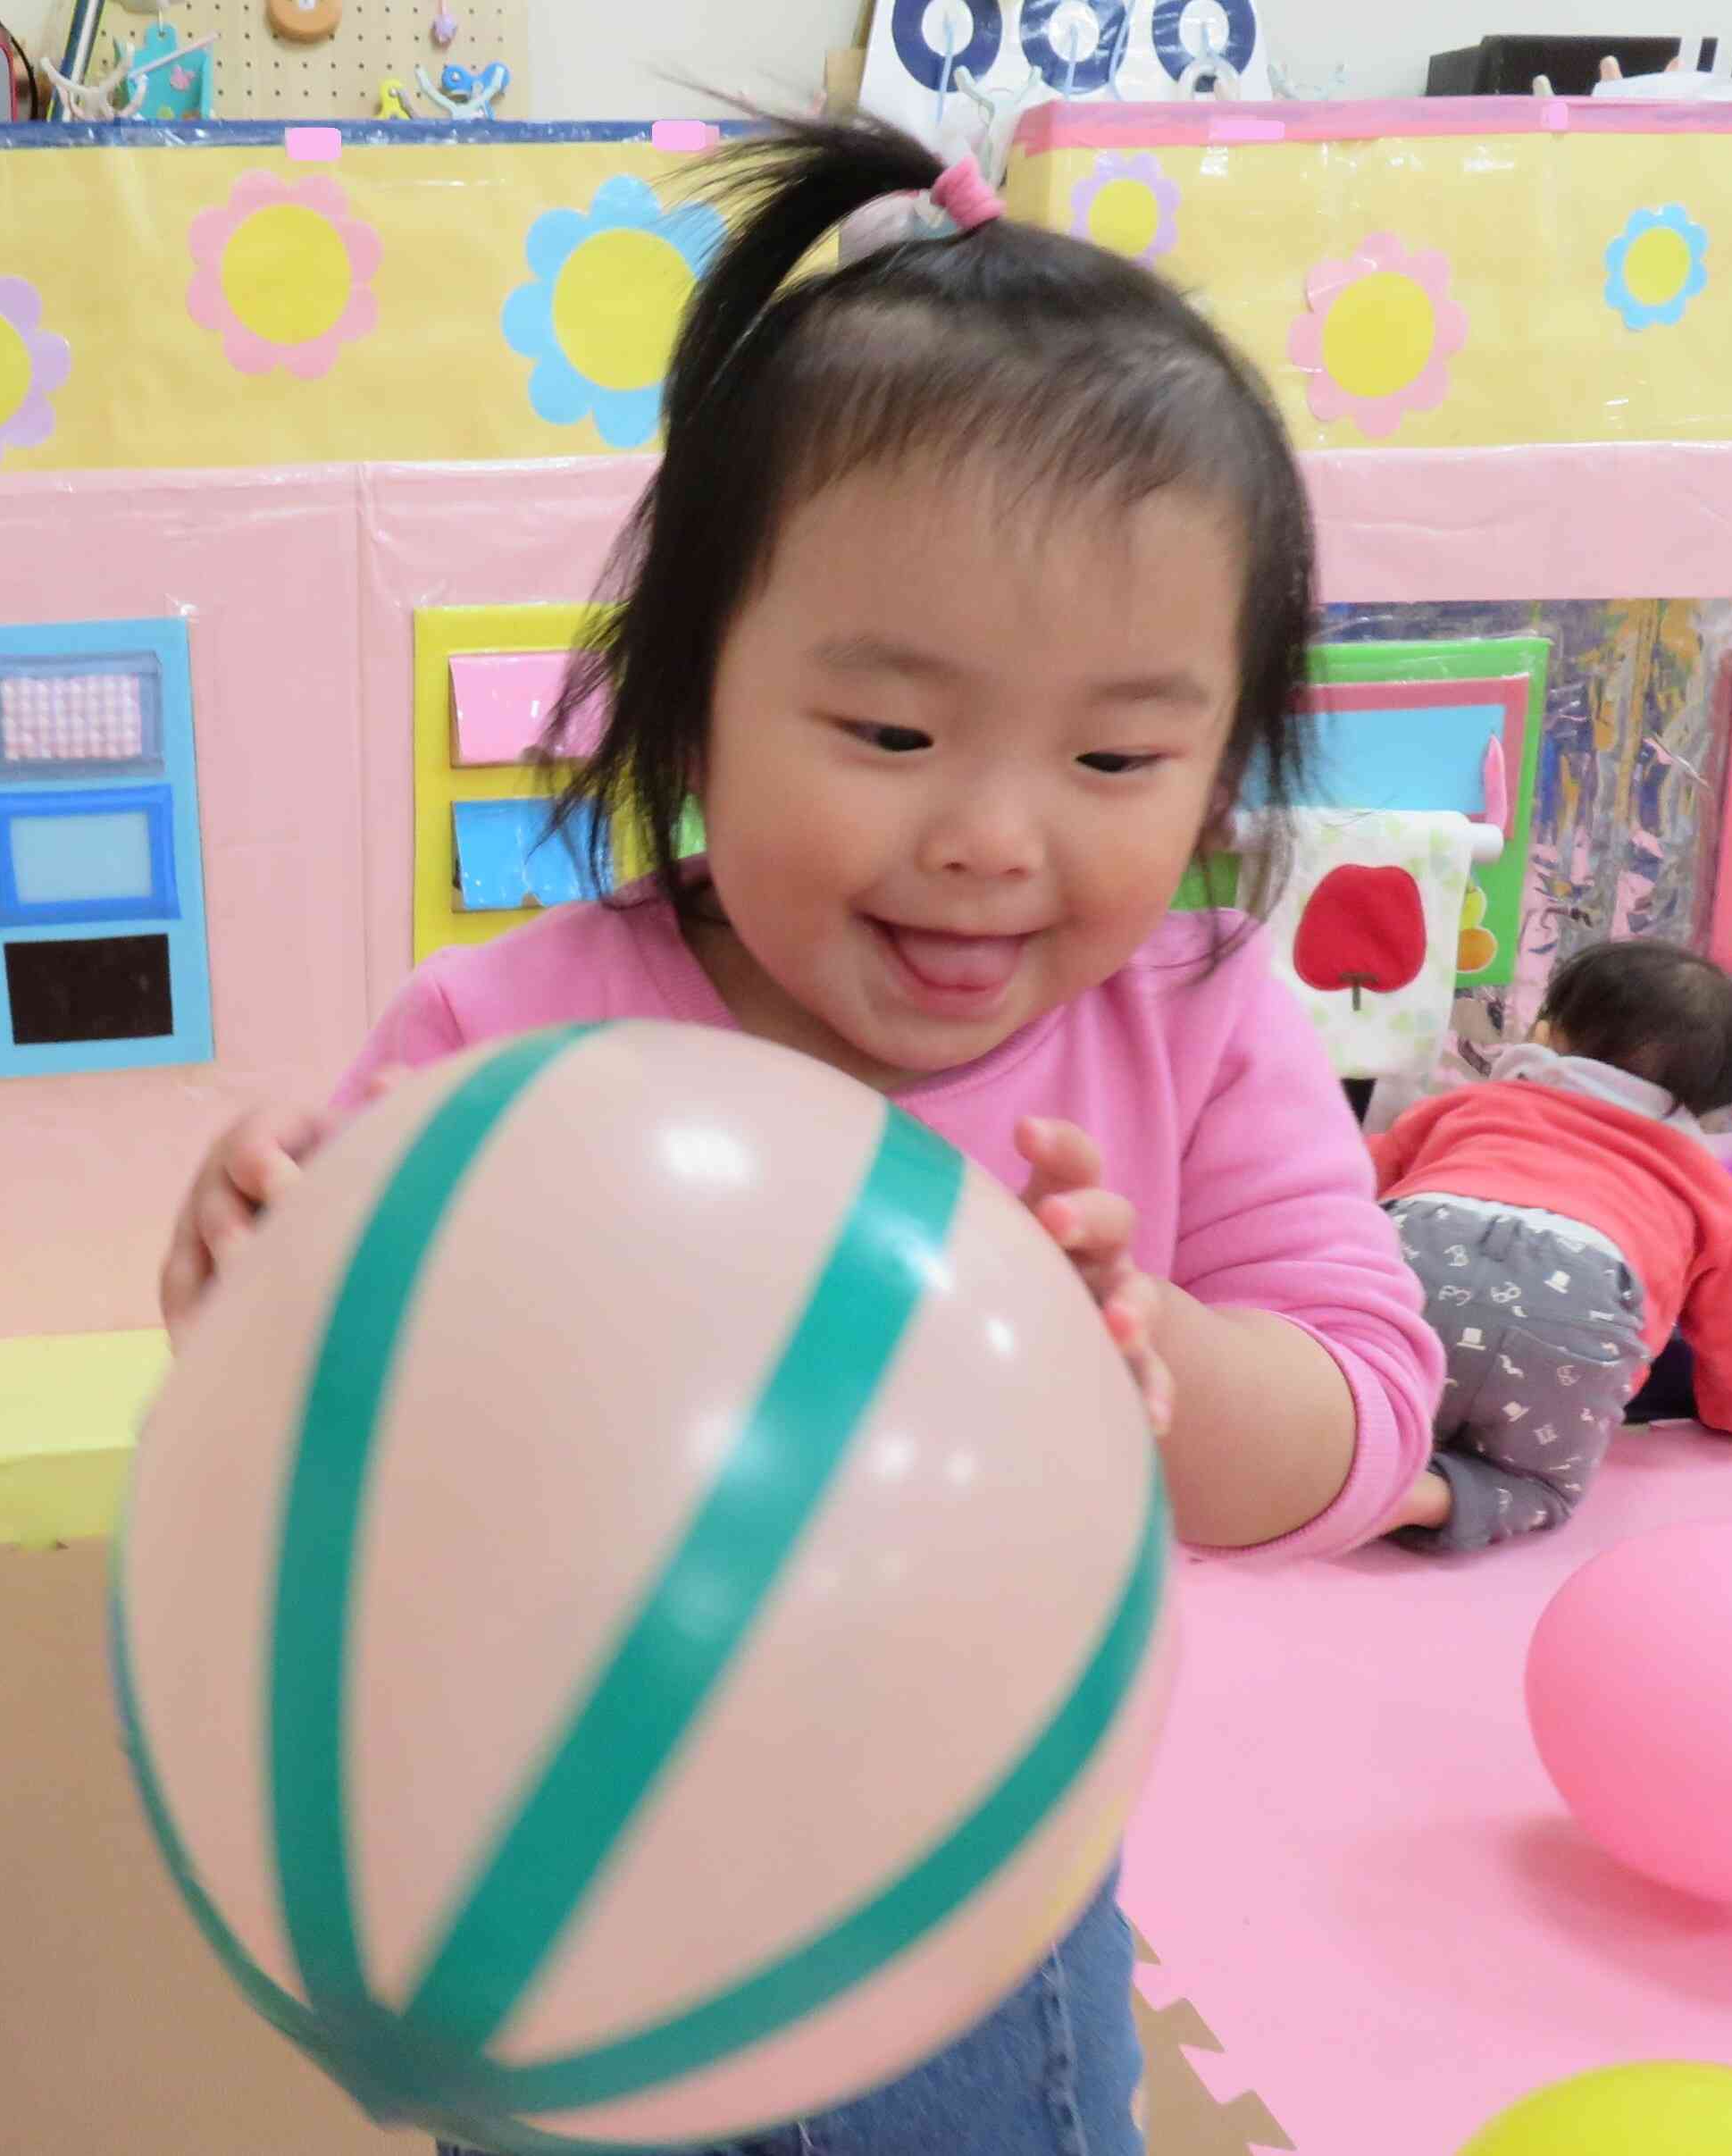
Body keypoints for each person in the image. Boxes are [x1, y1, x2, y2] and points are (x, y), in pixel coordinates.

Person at [157, 113, 1443, 2156]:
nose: (990, 832)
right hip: (544, 1872)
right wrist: (249, 1276)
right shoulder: (508, 1036)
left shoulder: (1194, 1026)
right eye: (889, 733)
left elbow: (1368, 1422)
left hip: (958, 1890)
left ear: (1216, 762)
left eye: (1116, 751)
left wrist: (1153, 1356)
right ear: (691, 706)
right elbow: (348, 1449)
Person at [1371, 939, 1732, 1553]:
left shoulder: (1469, 1106)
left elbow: (1343, 1188)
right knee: (1538, 1482)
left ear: (1547, 1035)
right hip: (1577, 1302)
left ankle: (1330, 1456)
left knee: (1339, 1392)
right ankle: (1433, 1498)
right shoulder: (1707, 1185)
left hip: (1416, 1252)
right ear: (1708, 1100)